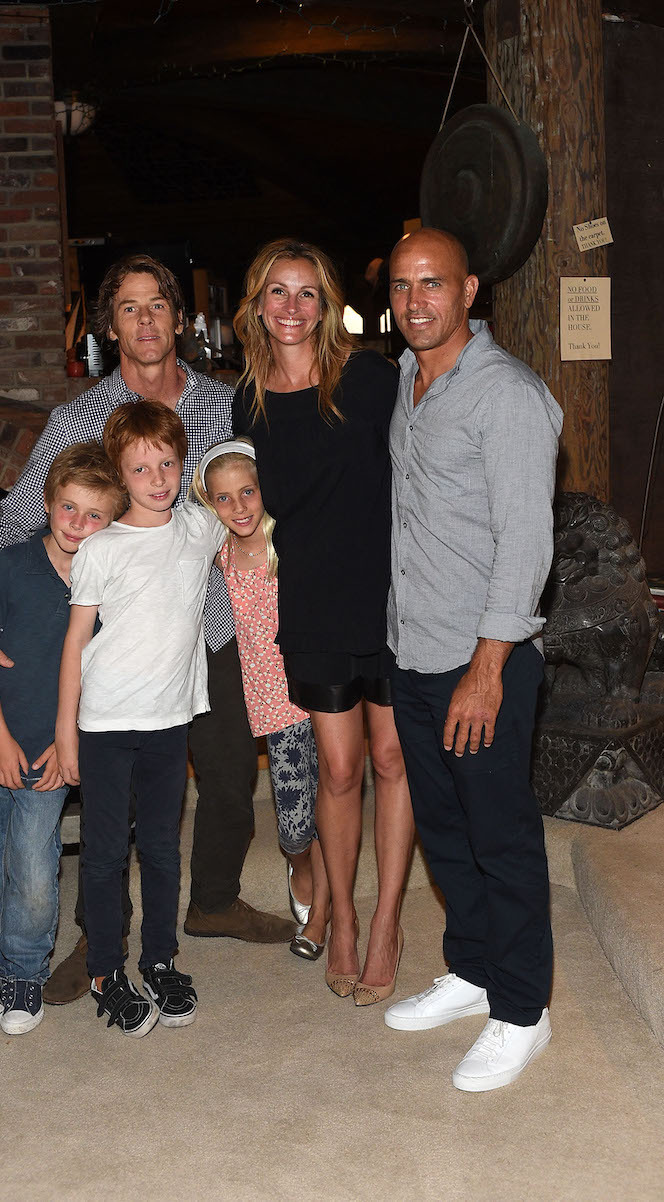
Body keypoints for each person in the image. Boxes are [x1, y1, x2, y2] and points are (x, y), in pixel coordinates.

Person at [0, 254, 295, 1006]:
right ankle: (94, 935)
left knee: (232, 773)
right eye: (129, 309)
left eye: (158, 306)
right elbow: (15, 518)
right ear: (111, 328)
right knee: (105, 802)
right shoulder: (78, 420)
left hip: (210, 620)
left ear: (179, 318)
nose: (145, 321)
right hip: (112, 636)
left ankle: (211, 902)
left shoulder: (224, 403)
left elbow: (262, 485)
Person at [382, 227, 562, 1092]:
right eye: (403, 285)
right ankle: (476, 968)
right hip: (413, 651)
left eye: (434, 284)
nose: (416, 301)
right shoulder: (411, 387)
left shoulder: (508, 395)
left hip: (479, 660)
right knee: (446, 833)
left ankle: (523, 1011)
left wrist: (487, 668)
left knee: (500, 836)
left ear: (470, 291)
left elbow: (527, 543)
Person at [233, 237, 415, 1005]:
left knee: (392, 762)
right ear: (256, 305)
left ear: (329, 304)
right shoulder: (246, 398)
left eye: (308, 292)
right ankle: (340, 915)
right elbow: (235, 501)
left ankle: (385, 924)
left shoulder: (371, 379)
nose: (293, 308)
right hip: (310, 604)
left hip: (393, 597)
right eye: (278, 291)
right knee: (338, 769)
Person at [56, 401, 224, 1036]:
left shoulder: (196, 529)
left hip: (169, 721)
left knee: (159, 849)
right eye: (140, 468)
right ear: (119, 475)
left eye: (167, 464)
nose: (157, 478)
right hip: (103, 722)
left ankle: (159, 959)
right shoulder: (101, 548)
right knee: (102, 854)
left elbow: (244, 506)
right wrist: (64, 731)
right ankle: (105, 967)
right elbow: (76, 642)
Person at [0, 443, 127, 1035]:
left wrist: (69, 744)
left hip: (53, 752)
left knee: (33, 867)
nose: (79, 524)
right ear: (49, 502)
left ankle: (26, 972)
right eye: (69, 508)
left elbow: (102, 676)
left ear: (113, 521)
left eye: (95, 515)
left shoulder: (107, 582)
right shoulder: (10, 565)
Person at [193, 438, 330, 959]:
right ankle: (300, 862)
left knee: (334, 790)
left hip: (316, 688)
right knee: (294, 817)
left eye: (247, 492)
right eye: (223, 498)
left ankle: (331, 889)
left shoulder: (286, 542)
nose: (239, 507)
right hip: (270, 701)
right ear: (210, 504)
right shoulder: (219, 555)